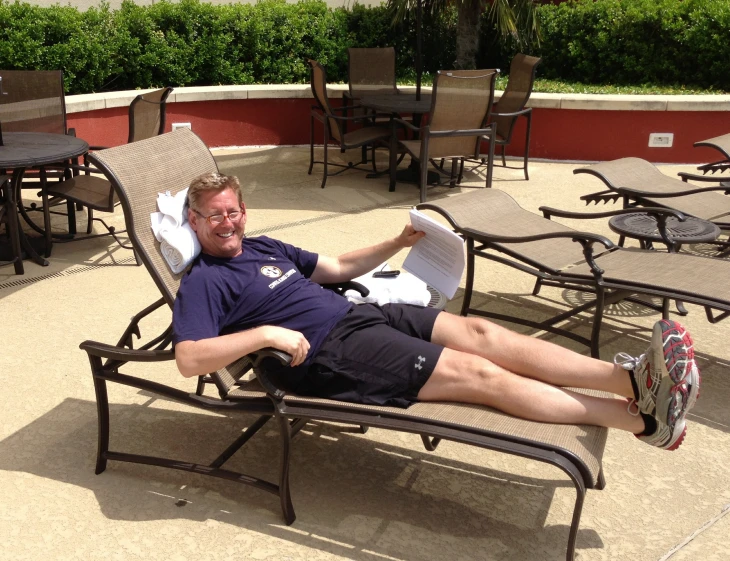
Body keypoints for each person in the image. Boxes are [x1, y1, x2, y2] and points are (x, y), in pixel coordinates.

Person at [173, 172, 700, 451]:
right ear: (193, 222)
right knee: (478, 373)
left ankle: (630, 380)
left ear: (244, 211)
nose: (227, 222)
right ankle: (643, 422)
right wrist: (266, 332)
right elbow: (190, 359)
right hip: (329, 355)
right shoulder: (203, 282)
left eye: (233, 211)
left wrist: (398, 241)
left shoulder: (263, 245)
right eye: (214, 215)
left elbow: (335, 266)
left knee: (480, 331)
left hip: (360, 313)